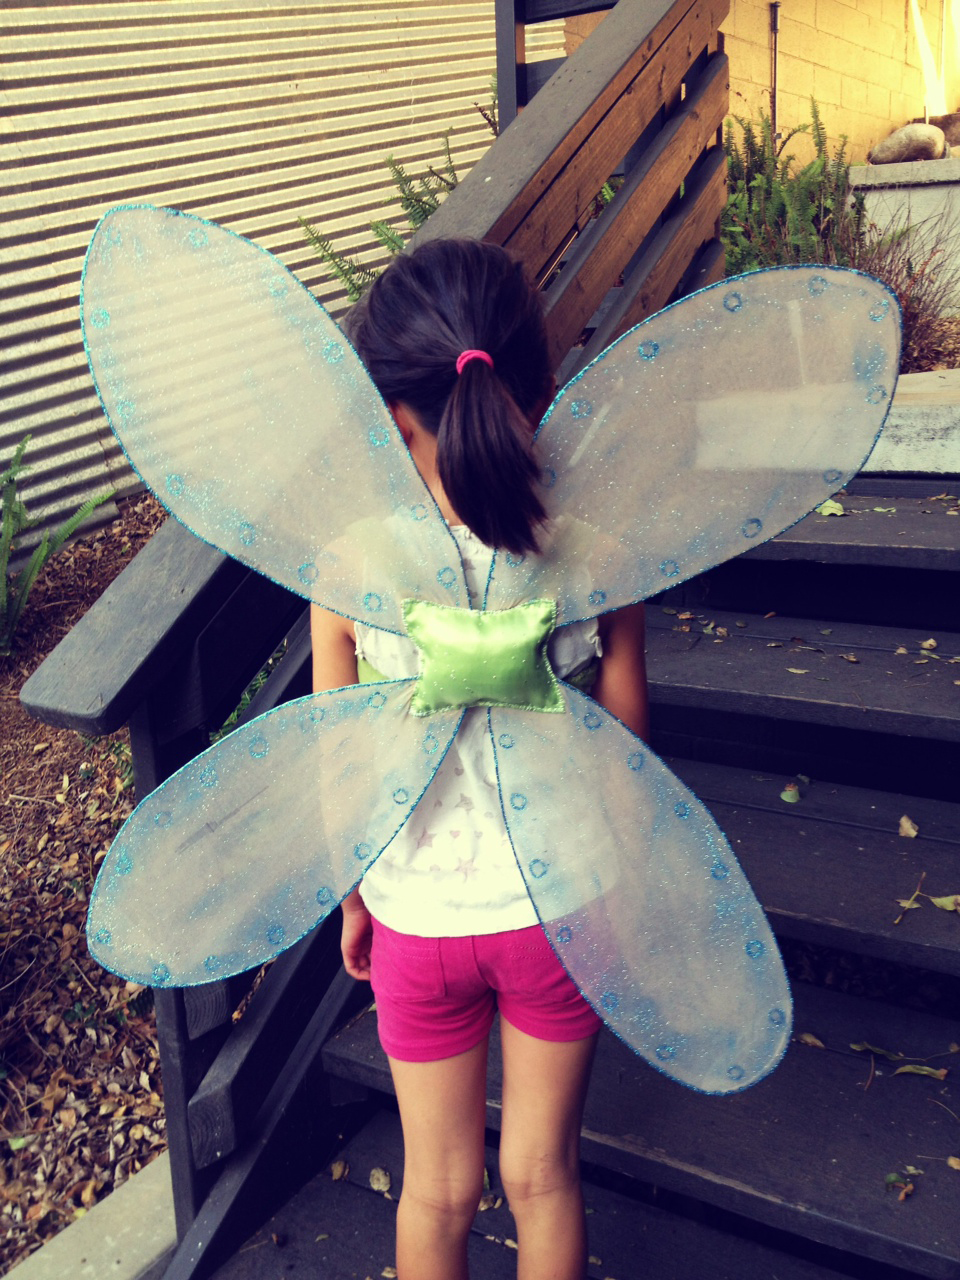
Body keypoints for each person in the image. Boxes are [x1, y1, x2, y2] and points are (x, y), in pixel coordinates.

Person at [311, 239, 649, 1280]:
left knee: (436, 1187)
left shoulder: (350, 562)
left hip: (418, 916)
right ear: (535, 385)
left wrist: (354, 897)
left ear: (391, 408)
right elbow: (628, 734)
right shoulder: (594, 544)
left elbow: (340, 760)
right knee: (543, 1177)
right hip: (560, 909)